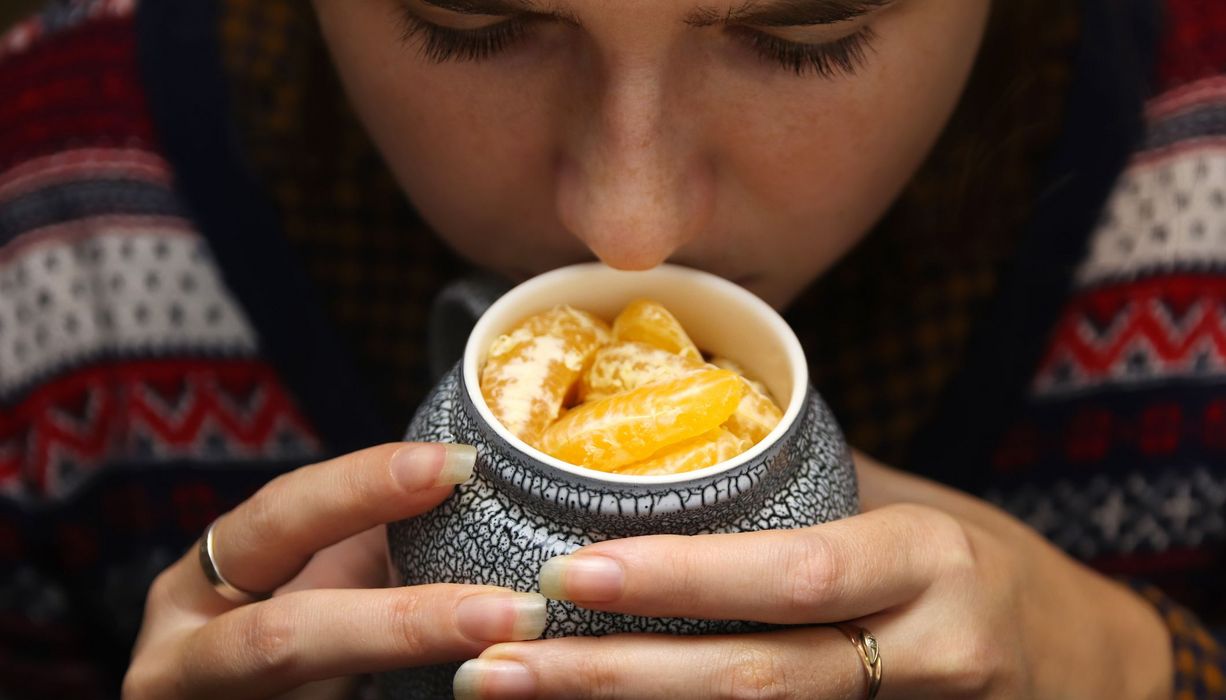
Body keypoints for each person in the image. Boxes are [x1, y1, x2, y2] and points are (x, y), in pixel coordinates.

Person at [0, 0, 1222, 697]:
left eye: (805, 29)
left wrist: (1122, 664)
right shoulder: (52, 224)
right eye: (469, 18)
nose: (626, 231)